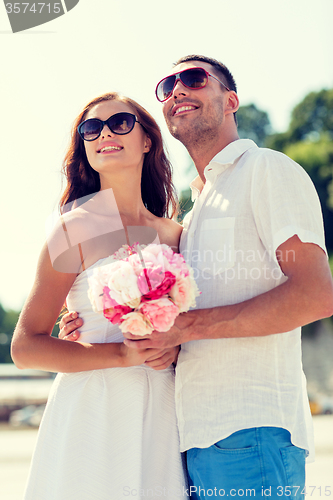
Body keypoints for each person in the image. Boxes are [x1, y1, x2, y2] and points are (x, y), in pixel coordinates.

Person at [11, 92, 188, 499]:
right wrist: (119, 355)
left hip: (161, 409)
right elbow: (25, 347)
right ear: (85, 147)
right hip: (91, 406)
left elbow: (188, 327)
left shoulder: (173, 235)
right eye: (91, 128)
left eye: (121, 122)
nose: (105, 132)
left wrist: (176, 347)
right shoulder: (73, 228)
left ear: (147, 140)